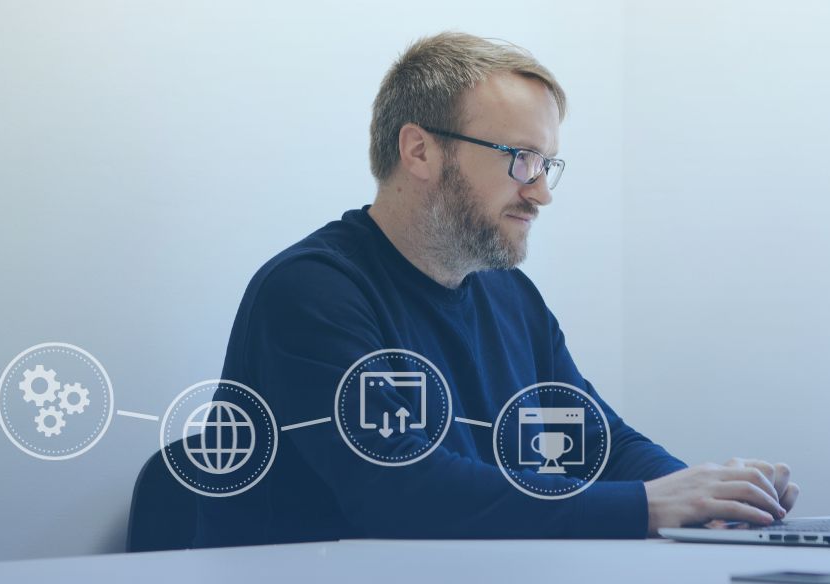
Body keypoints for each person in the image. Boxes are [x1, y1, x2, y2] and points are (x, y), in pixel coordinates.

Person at [193, 32, 799, 546]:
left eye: (546, 164)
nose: (541, 192)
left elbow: (598, 442)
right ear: (421, 150)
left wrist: (706, 500)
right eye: (521, 158)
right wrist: (646, 506)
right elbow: (401, 492)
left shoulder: (510, 296)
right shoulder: (310, 292)